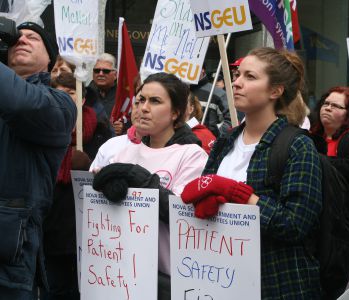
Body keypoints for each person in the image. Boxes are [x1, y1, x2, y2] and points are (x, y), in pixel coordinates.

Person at [181, 47, 323, 299]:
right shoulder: (225, 141)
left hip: (276, 285)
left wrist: (236, 193)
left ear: (275, 91)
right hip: (221, 280)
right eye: (237, 75)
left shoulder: (297, 145)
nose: (236, 83)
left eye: (250, 77)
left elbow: (295, 224)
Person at [92, 72, 208, 300]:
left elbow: (182, 215)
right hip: (116, 271)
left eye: (155, 101)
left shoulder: (192, 155)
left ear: (175, 112)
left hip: (167, 279)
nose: (143, 108)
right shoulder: (121, 149)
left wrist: (142, 180)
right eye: (140, 100)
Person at [0, 21, 76, 298]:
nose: (22, 40)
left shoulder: (59, 103)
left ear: (50, 59)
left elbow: (19, 102)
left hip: (10, 261)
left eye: (33, 38)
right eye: (15, 37)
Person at [42, 72, 111, 300]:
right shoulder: (40, 130)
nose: (66, 98)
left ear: (82, 99)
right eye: (60, 92)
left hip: (90, 230)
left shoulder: (101, 132)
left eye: (72, 93)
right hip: (51, 228)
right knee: (55, 289)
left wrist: (89, 166)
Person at [310, 86, 349, 192]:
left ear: (348, 113)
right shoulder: (311, 136)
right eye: (326, 103)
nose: (328, 108)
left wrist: (315, 159)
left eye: (335, 106)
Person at [85, 53, 127, 136]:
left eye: (106, 71)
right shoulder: (85, 94)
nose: (100, 74)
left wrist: (123, 128)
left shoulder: (124, 96)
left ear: (115, 75)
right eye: (97, 70)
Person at [190, 67, 231, 137]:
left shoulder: (218, 93)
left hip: (207, 144)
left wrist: (211, 136)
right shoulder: (177, 89)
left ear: (202, 69)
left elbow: (231, 120)